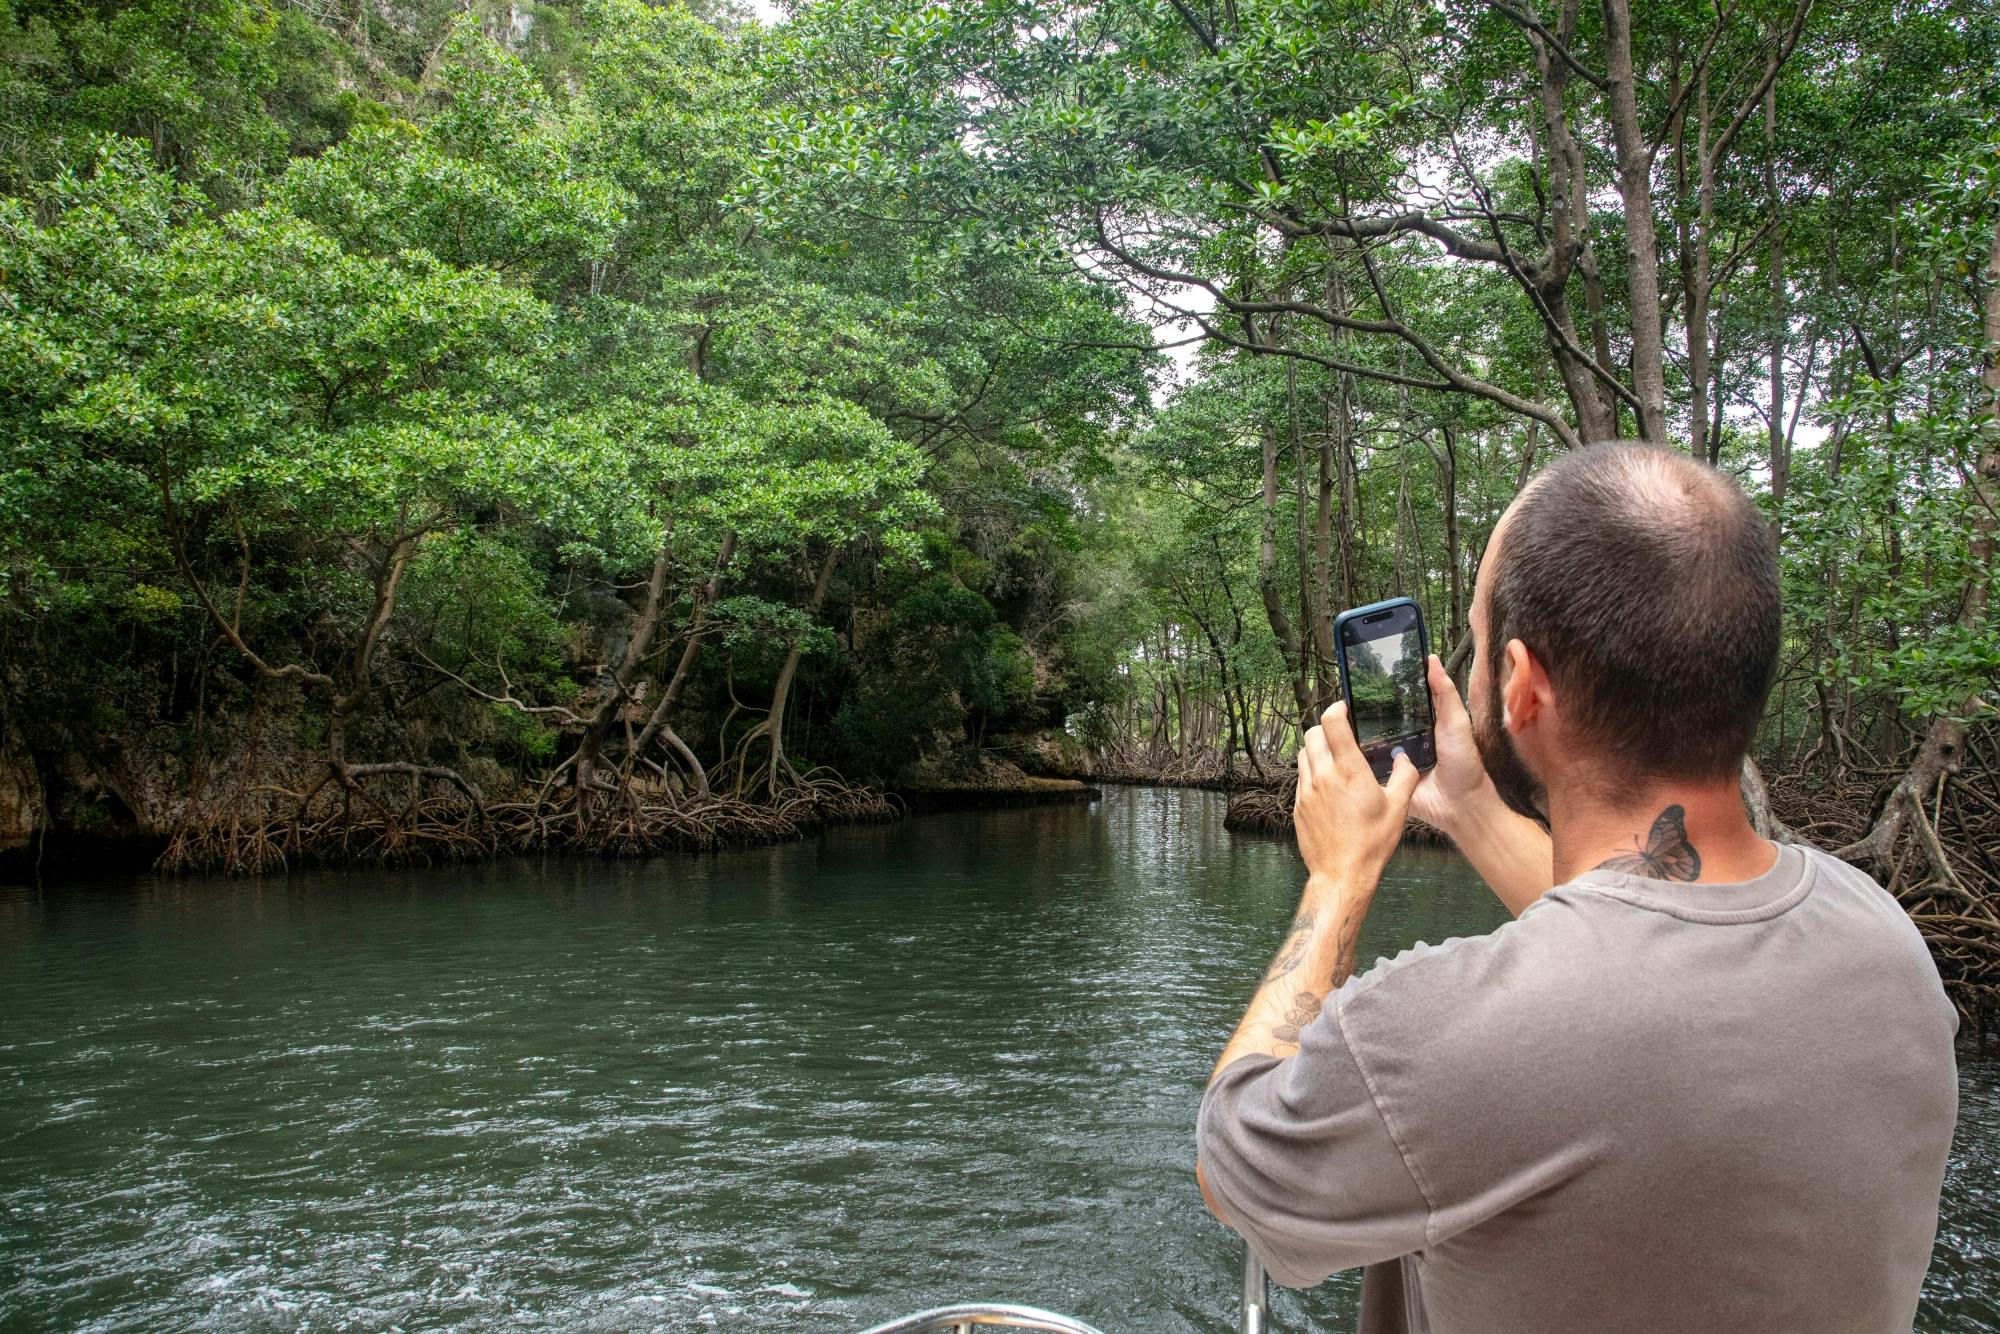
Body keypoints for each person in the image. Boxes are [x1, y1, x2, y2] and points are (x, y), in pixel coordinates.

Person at [1195, 442, 1958, 1334]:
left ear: (1520, 686)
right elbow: (1638, 930)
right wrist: (1470, 806)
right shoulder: (1885, 940)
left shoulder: (1438, 1035)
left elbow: (1236, 1171)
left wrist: (1338, 876)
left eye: (1479, 646)